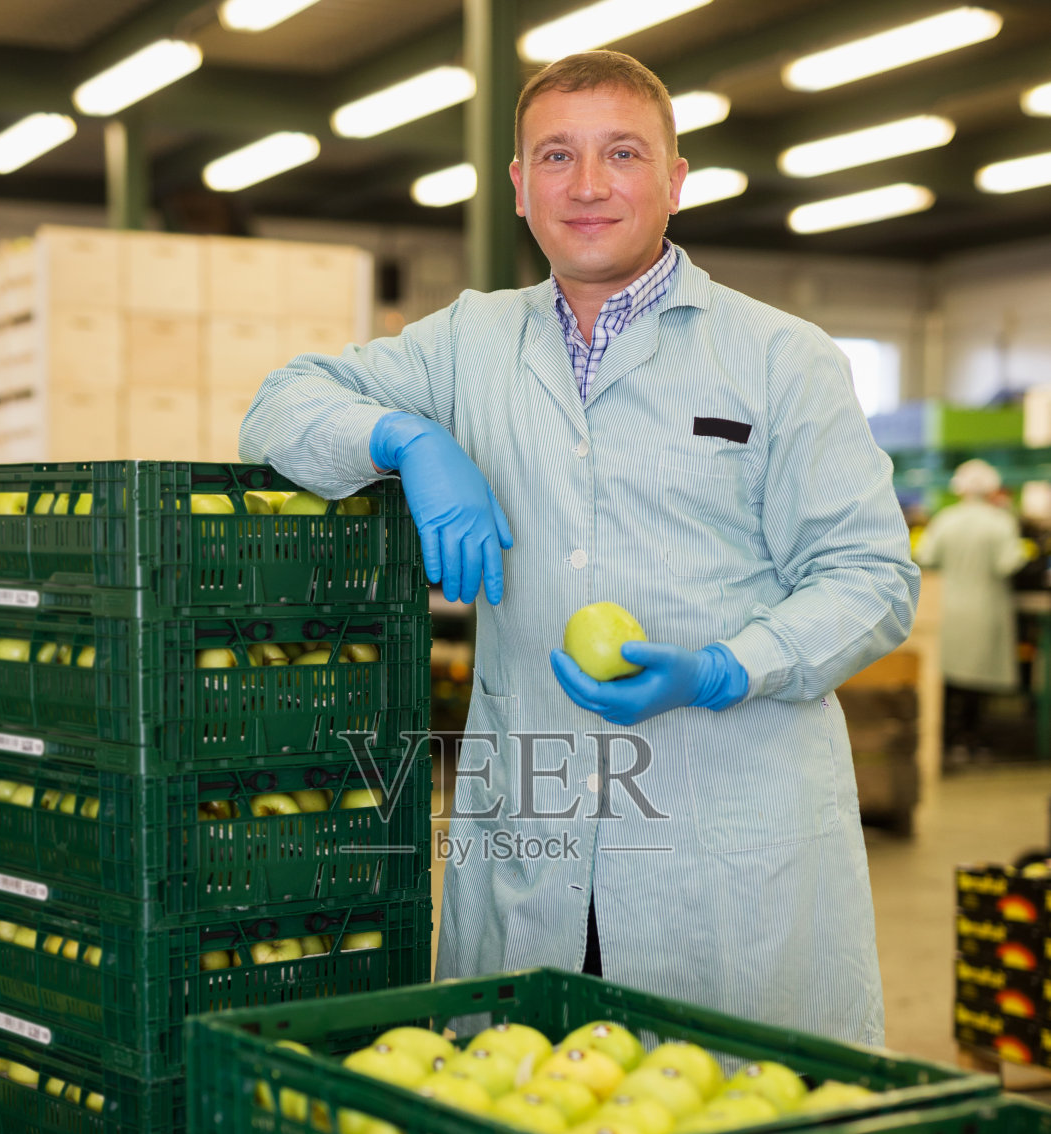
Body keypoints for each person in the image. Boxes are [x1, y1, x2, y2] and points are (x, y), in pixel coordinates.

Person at [240, 50, 919, 1048]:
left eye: (622, 153)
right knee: (523, 1128)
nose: (588, 185)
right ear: (518, 188)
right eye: (556, 155)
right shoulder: (471, 342)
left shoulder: (780, 357)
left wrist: (729, 666)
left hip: (721, 846)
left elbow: (872, 576)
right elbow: (276, 407)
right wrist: (407, 439)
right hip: (535, 843)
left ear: (674, 180)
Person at [915, 459, 1029, 764]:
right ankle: (971, 740)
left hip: (946, 610)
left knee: (947, 679)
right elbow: (1009, 564)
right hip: (985, 610)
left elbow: (924, 557)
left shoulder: (945, 519)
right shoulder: (1001, 522)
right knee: (977, 682)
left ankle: (946, 739)